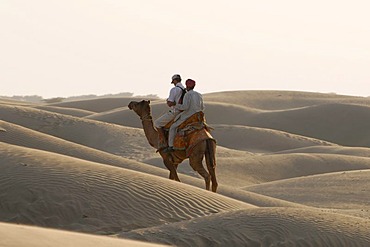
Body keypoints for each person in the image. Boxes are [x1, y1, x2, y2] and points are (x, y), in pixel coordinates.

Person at [164, 78, 204, 153]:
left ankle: (171, 146)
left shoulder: (187, 94)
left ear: (187, 86)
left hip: (189, 116)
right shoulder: (199, 95)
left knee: (173, 127)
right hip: (198, 117)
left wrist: (175, 104)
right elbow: (202, 107)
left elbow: (185, 107)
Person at [154, 74, 186, 144]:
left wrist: (169, 101)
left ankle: (164, 141)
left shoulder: (174, 89)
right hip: (184, 113)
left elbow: (170, 103)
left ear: (174, 81)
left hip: (175, 112)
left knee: (157, 123)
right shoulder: (185, 90)